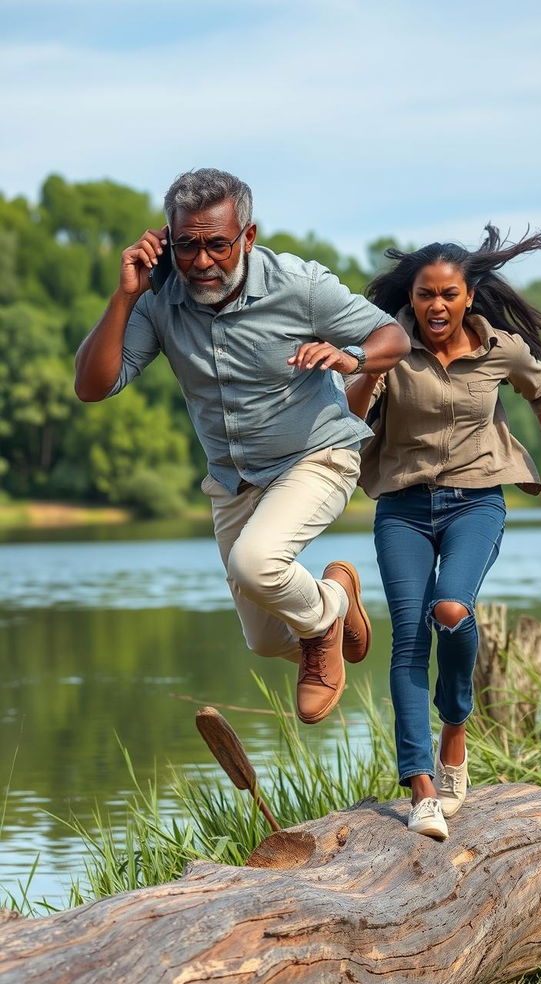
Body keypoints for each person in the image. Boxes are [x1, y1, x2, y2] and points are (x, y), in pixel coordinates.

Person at [74, 168, 410, 725]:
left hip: (317, 454)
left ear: (247, 237)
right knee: (264, 640)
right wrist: (125, 296)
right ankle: (333, 602)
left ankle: (323, 619)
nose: (202, 261)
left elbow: (392, 337)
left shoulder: (298, 286)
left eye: (217, 244)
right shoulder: (160, 302)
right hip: (233, 479)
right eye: (186, 245)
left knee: (257, 565)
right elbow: (92, 386)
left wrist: (351, 360)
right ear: (167, 239)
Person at [346, 225, 541, 839]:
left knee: (451, 609)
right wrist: (373, 365)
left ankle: (455, 724)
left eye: (449, 294)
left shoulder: (498, 348)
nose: (437, 306)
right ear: (413, 297)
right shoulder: (388, 343)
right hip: (401, 505)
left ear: (468, 295)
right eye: (426, 294)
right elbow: (350, 414)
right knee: (407, 643)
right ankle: (422, 788)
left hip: (476, 501)